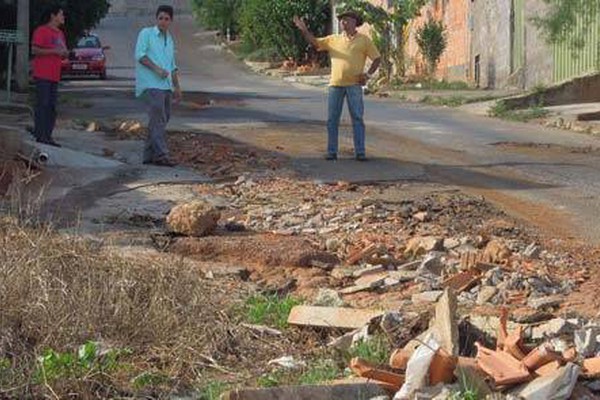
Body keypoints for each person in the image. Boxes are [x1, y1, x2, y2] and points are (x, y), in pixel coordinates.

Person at [294, 10, 381, 161]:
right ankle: (331, 151)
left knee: (357, 118)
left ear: (355, 22)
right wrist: (304, 30)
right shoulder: (333, 39)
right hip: (335, 85)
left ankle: (360, 152)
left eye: (346, 20)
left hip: (354, 85)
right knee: (332, 119)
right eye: (341, 20)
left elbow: (377, 58)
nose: (343, 23)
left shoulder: (364, 40)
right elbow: (315, 43)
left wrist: (367, 75)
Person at [135, 5, 182, 167]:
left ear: (171, 21)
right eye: (160, 18)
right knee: (159, 119)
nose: (163, 21)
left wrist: (177, 87)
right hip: (151, 84)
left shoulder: (169, 39)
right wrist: (156, 69)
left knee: (160, 120)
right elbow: (140, 56)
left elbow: (172, 65)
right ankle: (162, 155)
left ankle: (148, 156)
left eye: (166, 19)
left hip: (166, 86)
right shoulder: (146, 34)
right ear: (156, 19)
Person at [31, 5, 68, 147]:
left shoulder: (60, 33)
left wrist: (64, 53)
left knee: (52, 107)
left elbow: (63, 51)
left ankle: (48, 135)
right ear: (53, 16)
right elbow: (35, 49)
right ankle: (40, 135)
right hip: (42, 74)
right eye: (61, 14)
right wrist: (54, 51)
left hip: (54, 74)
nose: (63, 17)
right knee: (43, 104)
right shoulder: (42, 31)